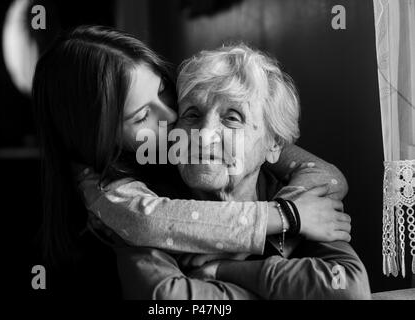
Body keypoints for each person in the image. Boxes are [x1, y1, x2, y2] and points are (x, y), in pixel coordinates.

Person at [32, 25, 349, 269]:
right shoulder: (103, 185)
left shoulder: (186, 134)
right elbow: (149, 222)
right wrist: (284, 217)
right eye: (142, 115)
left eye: (163, 91)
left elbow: (324, 174)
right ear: (102, 138)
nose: (171, 114)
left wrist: (282, 233)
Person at [114, 44, 371, 300]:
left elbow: (348, 287)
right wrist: (289, 291)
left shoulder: (299, 196)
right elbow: (165, 301)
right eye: (192, 114)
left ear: (273, 144)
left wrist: (223, 270)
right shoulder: (151, 202)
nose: (203, 136)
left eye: (232, 118)